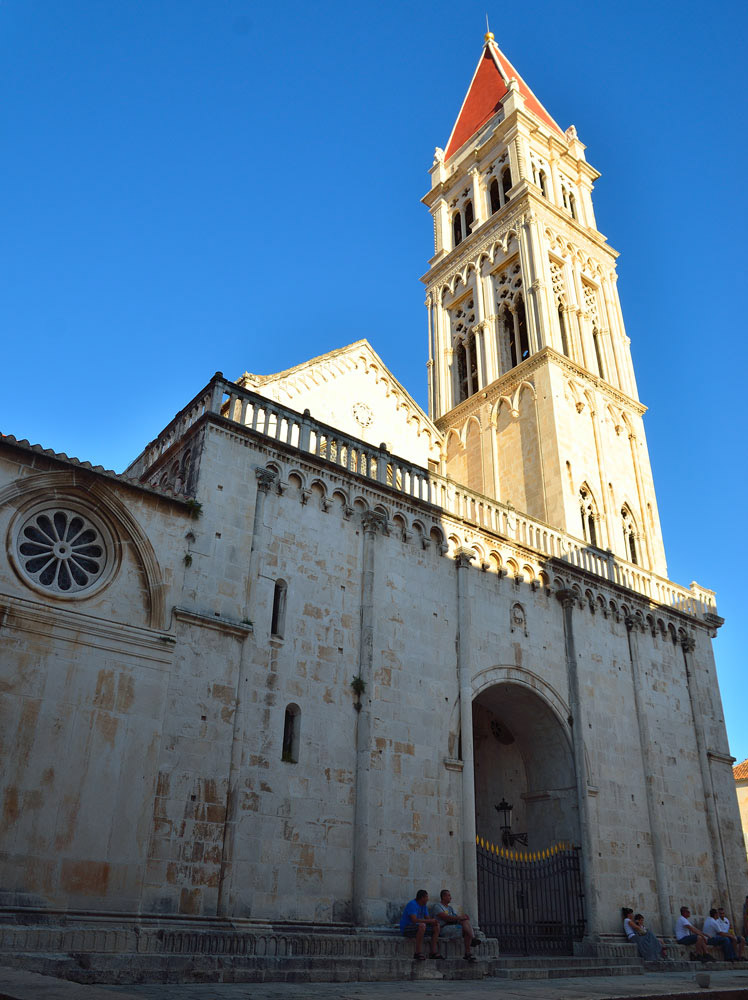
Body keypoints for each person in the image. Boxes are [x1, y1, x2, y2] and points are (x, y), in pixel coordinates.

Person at [432, 889, 478, 962]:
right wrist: (460, 917)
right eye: (448, 895)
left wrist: (463, 918)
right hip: (443, 928)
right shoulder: (437, 906)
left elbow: (455, 918)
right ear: (443, 897)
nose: (450, 897)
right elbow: (446, 918)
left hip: (453, 927)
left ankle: (469, 949)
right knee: (466, 929)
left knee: (466, 922)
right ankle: (469, 948)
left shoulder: (450, 908)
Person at [399, 889, 443, 961]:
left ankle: (433, 952)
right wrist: (429, 921)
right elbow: (414, 920)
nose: (428, 899)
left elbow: (428, 919)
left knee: (436, 926)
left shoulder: (424, 906)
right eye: (426, 897)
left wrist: (434, 922)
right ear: (422, 898)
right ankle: (418, 952)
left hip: (418, 927)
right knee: (422, 925)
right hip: (407, 928)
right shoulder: (412, 904)